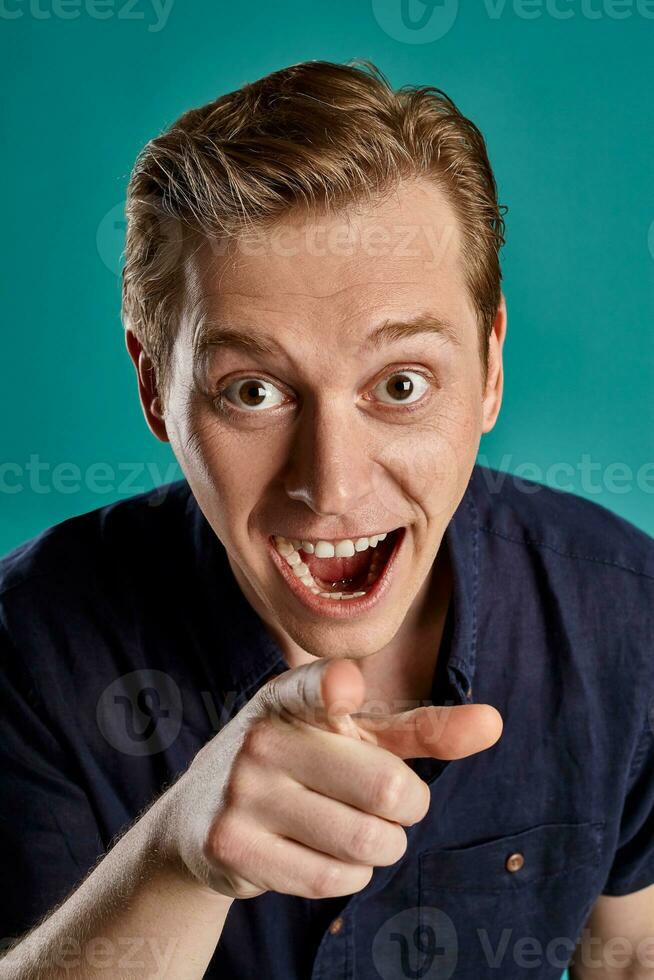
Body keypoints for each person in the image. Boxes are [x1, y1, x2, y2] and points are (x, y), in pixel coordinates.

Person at [1, 59, 653, 980]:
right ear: (155, 390)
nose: (333, 486)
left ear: (493, 368)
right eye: (254, 392)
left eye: (401, 385)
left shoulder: (628, 618)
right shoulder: (27, 648)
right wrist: (176, 862)